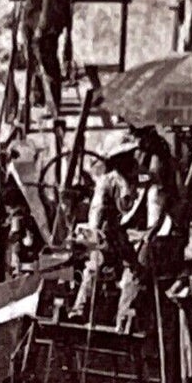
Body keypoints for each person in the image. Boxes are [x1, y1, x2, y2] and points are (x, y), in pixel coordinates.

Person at [69, 137, 142, 324]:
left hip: (114, 235)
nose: (133, 159)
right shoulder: (113, 182)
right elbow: (106, 209)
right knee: (104, 269)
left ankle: (116, 317)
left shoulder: (121, 180)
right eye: (128, 156)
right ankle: (88, 311)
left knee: (118, 272)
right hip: (107, 235)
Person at [18, 0, 72, 117]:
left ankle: (53, 104)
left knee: (48, 63)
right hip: (35, 25)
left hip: (46, 27)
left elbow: (49, 2)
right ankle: (40, 99)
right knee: (37, 63)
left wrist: (42, 27)